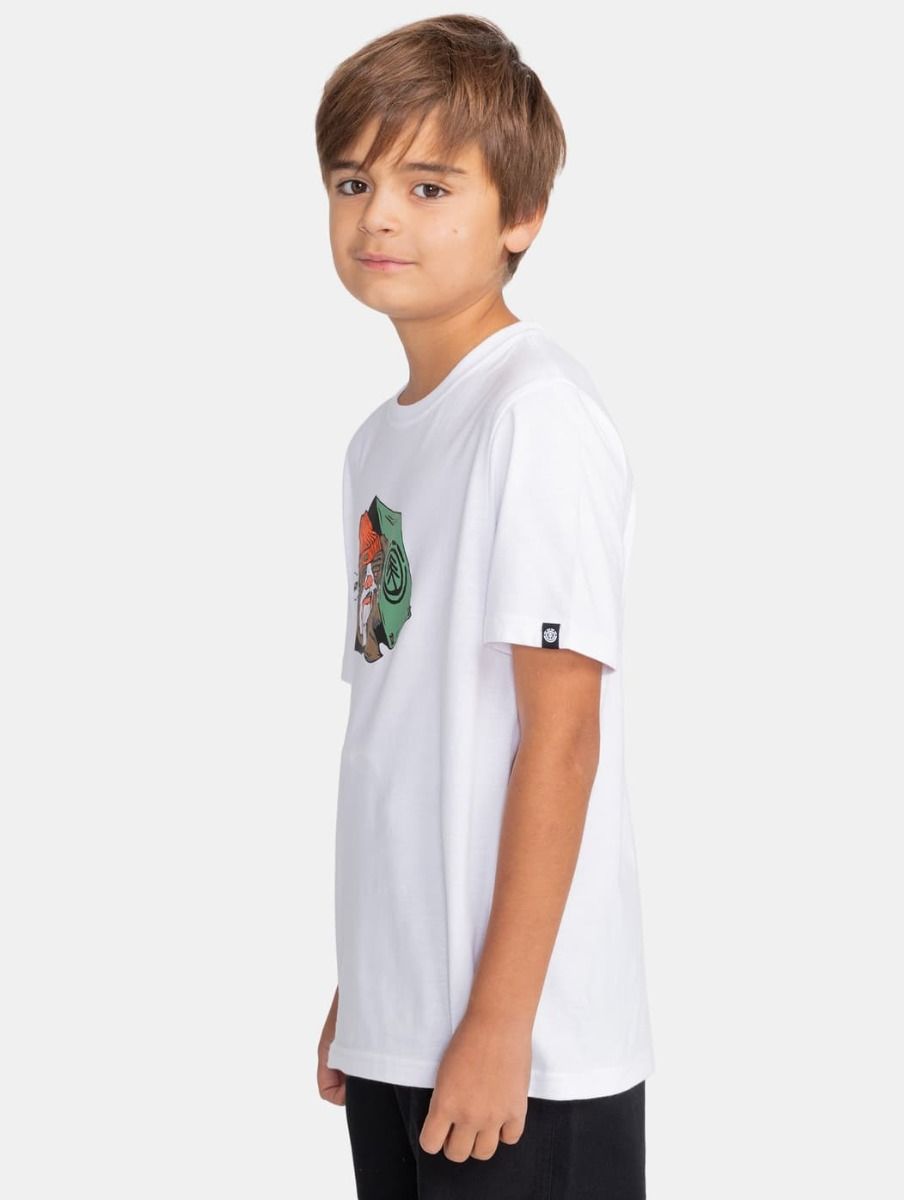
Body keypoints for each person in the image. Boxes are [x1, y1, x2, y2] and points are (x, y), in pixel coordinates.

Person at [313, 15, 654, 1198]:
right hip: (410, 1027)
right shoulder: (379, 442)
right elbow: (404, 733)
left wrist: (502, 1022)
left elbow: (560, 737)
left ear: (523, 216)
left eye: (428, 185)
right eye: (352, 182)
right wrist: (371, 987)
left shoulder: (533, 414)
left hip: (527, 1051)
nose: (379, 217)